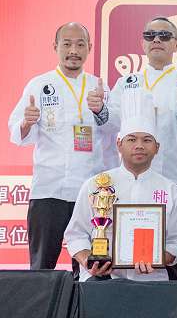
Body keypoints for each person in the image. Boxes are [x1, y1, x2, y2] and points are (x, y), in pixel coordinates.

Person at [8, 22, 118, 278]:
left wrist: (100, 110)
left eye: (80, 44)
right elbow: (17, 131)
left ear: (89, 48)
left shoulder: (99, 86)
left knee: (91, 267)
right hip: (49, 188)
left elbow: (116, 126)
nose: (73, 50)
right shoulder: (39, 84)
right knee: (41, 265)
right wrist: (27, 121)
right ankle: (40, 317)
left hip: (90, 192)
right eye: (67, 44)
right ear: (55, 47)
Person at [107, 17, 177, 280]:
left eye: (164, 35)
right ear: (143, 43)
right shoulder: (126, 81)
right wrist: (98, 109)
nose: (157, 40)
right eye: (150, 36)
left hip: (172, 176)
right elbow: (110, 122)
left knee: (170, 249)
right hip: (131, 179)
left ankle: (173, 314)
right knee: (127, 246)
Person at [64, 90, 177, 282]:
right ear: (119, 144)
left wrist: (156, 259)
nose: (139, 145)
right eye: (131, 139)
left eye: (147, 140)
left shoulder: (171, 191)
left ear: (157, 147)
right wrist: (89, 261)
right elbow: (75, 233)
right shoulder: (95, 185)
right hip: (102, 281)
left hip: (151, 281)